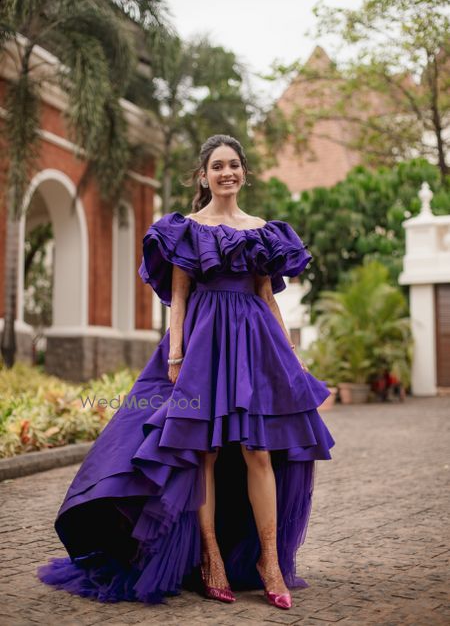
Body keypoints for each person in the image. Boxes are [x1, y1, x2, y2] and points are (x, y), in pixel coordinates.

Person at [37, 134, 335, 610]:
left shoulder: (261, 231)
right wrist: (175, 358)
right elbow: (179, 297)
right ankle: (210, 557)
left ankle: (271, 561)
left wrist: (291, 354)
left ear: (243, 172)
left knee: (259, 452)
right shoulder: (185, 230)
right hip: (202, 346)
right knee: (205, 454)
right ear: (204, 175)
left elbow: (266, 296)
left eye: (233, 165)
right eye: (217, 166)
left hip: (253, 347)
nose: (226, 173)